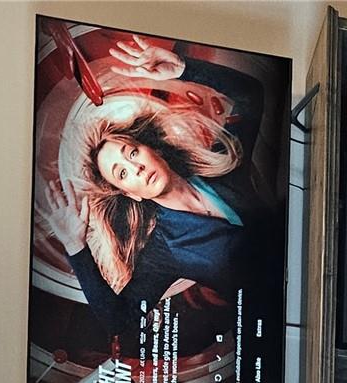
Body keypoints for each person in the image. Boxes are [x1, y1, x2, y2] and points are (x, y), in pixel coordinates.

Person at [37, 34, 271, 326]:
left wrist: (183, 70)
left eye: (131, 152)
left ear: (153, 149)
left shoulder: (221, 166)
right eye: (122, 173)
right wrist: (75, 246)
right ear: (129, 193)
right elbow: (119, 320)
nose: (134, 168)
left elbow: (252, 93)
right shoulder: (162, 251)